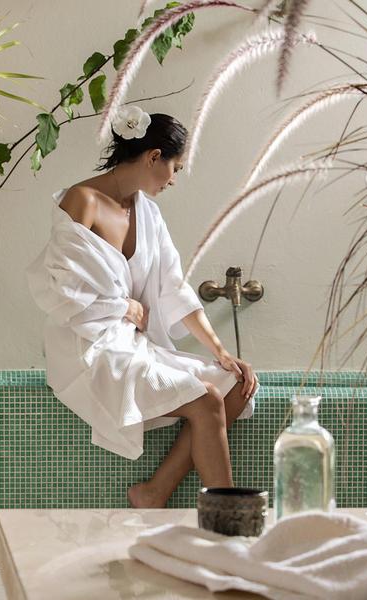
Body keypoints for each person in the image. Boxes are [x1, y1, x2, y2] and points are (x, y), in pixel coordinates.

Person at [26, 107, 259, 508]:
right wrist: (123, 307)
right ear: (154, 156)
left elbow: (173, 286)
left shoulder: (147, 212)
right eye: (176, 168)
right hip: (90, 345)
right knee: (205, 401)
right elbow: (64, 289)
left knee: (235, 387)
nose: (174, 179)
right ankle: (229, 518)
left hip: (130, 343)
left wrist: (221, 353)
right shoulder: (82, 200)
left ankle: (154, 492)